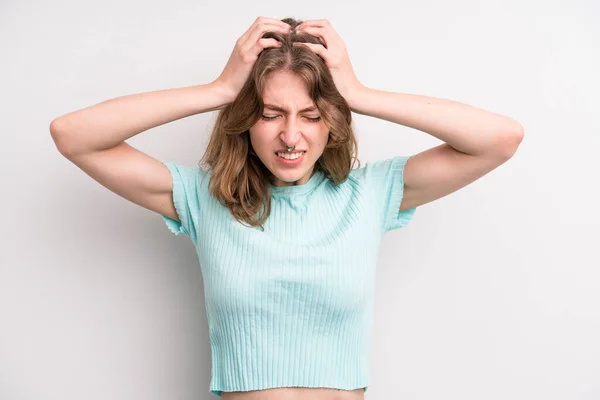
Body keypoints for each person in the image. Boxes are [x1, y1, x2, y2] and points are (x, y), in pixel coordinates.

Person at [49, 16, 524, 400]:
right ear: (244, 120)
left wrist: (360, 95)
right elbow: (73, 136)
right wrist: (217, 90)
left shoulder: (369, 194)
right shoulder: (203, 197)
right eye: (271, 114)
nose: (291, 137)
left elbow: (500, 140)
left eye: (312, 116)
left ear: (331, 123)